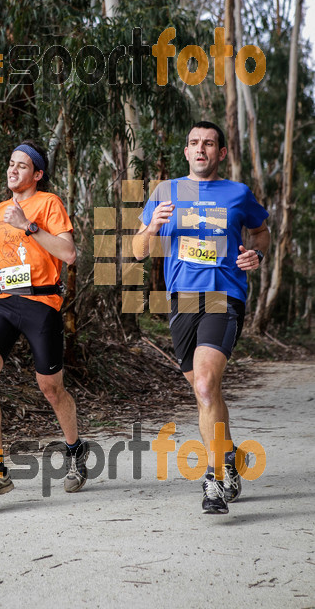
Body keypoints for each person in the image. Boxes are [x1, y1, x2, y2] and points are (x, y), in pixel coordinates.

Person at [133, 121, 270, 514]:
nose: (200, 149)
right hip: (182, 301)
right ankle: (228, 457)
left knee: (207, 385)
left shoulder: (238, 194)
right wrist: (154, 227)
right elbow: (139, 251)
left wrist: (257, 254)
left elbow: (261, 232)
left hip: (223, 295)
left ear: (221, 153)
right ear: (186, 151)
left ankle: (213, 482)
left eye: (209, 143)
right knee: (203, 390)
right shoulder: (165, 192)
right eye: (194, 142)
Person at [0, 140, 88, 504]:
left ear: (37, 174)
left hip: (41, 302)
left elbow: (69, 253)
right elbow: (10, 246)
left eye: (21, 166)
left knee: (51, 387)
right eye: (10, 164)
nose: (12, 170)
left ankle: (75, 451)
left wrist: (29, 224)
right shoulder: (1, 208)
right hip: (4, 302)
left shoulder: (48, 203)